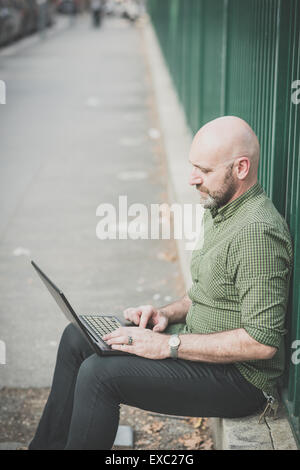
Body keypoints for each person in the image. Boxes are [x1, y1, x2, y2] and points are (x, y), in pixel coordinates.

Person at [29, 116, 293, 450]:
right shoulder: (222, 209)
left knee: (99, 376)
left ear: (241, 168)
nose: (192, 179)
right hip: (197, 346)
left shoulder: (257, 232)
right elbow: (207, 294)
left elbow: (262, 342)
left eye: (205, 170)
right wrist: (165, 314)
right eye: (193, 166)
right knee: (76, 336)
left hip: (240, 381)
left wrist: (167, 346)